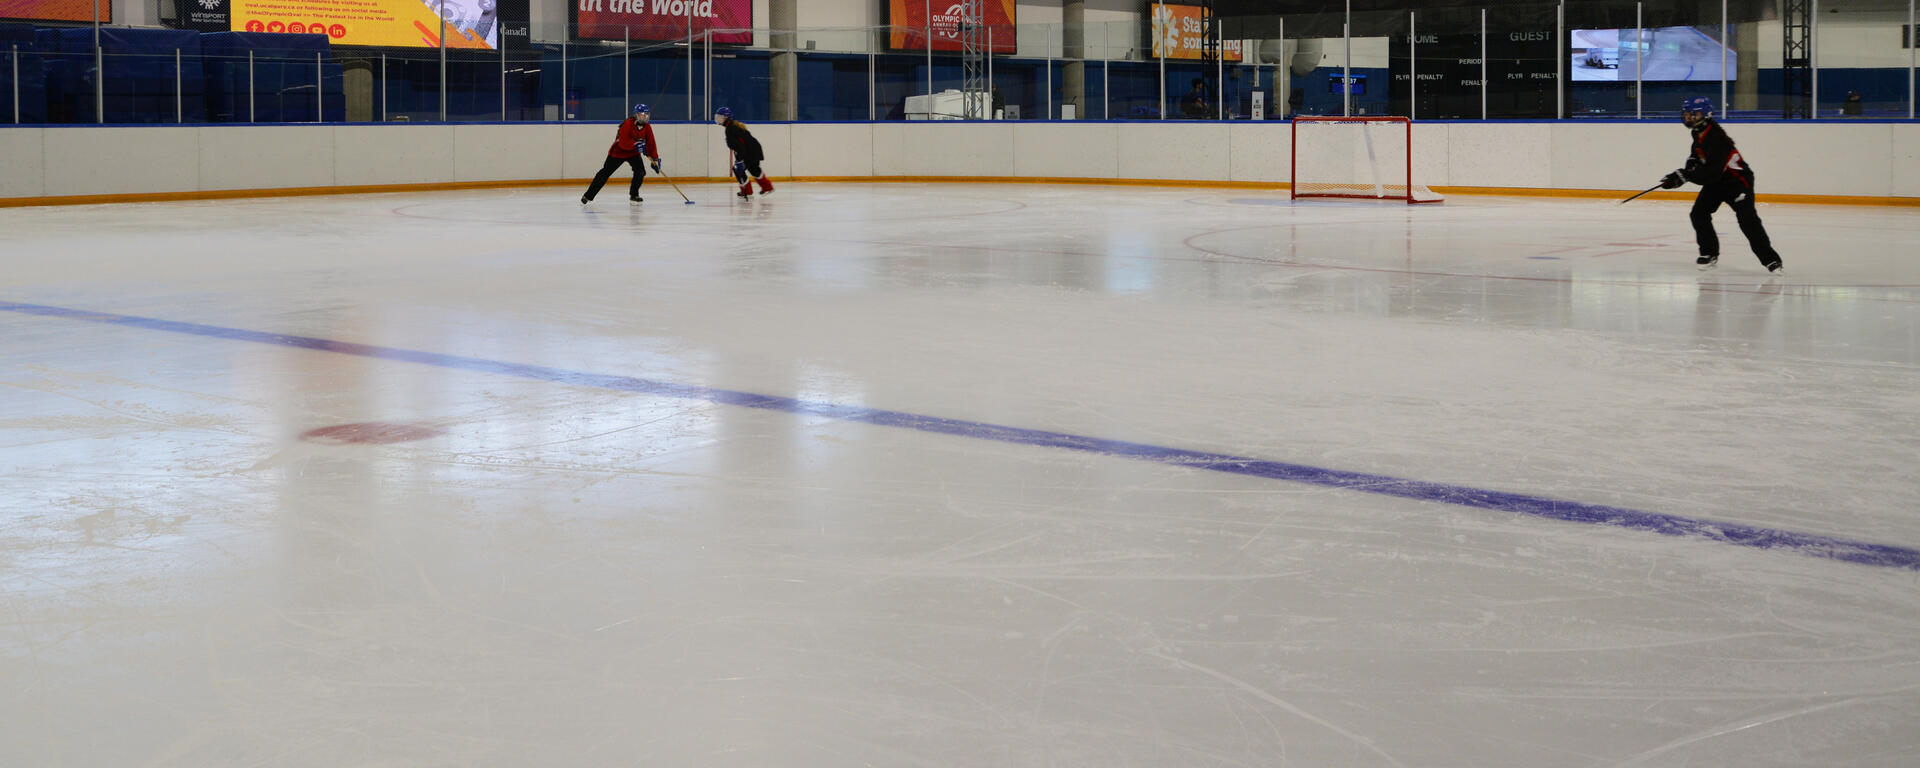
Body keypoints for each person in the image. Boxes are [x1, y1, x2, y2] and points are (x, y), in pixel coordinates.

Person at [1658, 96, 1783, 275]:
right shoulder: (1698, 133)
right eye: (1686, 114)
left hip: (1737, 182)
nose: (1689, 118)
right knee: (1698, 214)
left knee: (1747, 220)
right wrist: (1681, 174)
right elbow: (1697, 157)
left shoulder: (1717, 139)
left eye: (1694, 114)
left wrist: (1685, 175)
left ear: (1706, 115)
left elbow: (1710, 173)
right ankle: (1709, 253)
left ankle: (1771, 259)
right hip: (1716, 182)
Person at [581, 103, 660, 205]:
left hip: (633, 153)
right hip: (618, 152)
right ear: (636, 115)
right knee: (604, 173)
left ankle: (634, 195)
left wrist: (655, 159)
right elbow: (623, 142)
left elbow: (651, 143)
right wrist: (636, 144)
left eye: (646, 115)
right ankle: (588, 196)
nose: (644, 117)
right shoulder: (627, 123)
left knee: (640, 172)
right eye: (642, 114)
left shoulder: (647, 127)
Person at [714, 106, 774, 199]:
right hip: (754, 150)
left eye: (719, 117)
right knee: (754, 168)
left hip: (749, 152)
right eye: (716, 116)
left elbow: (740, 147)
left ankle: (747, 192)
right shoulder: (732, 126)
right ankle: (767, 187)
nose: (717, 119)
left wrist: (739, 160)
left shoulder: (730, 129)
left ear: (726, 117)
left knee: (739, 170)